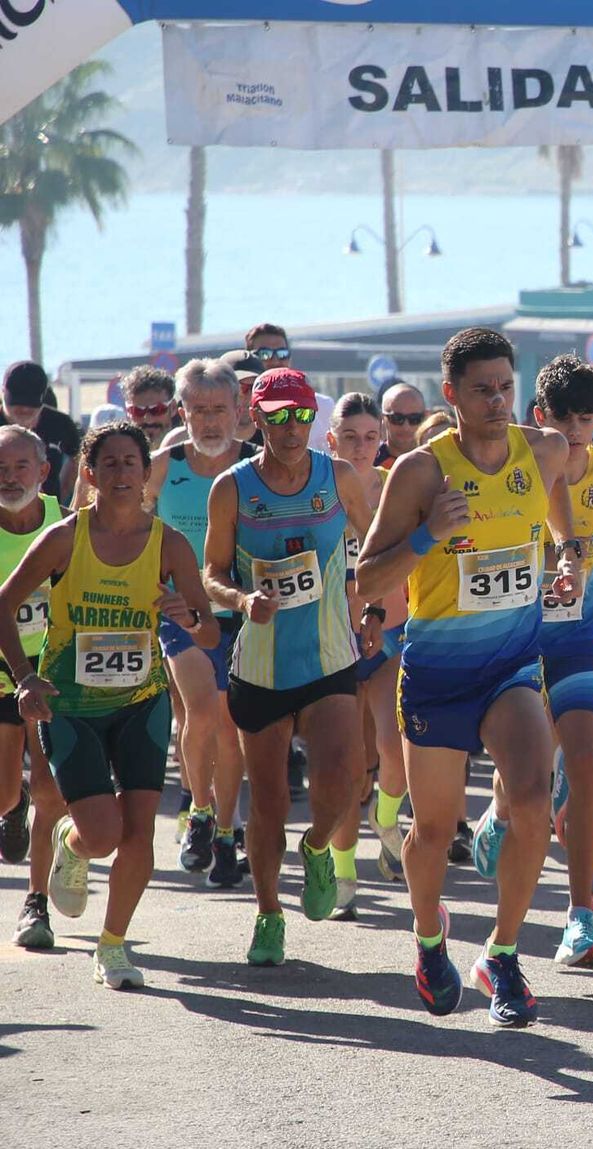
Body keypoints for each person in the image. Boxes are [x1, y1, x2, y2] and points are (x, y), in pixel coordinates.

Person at [357, 328, 577, 1025]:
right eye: (481, 389)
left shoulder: (542, 448)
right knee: (430, 831)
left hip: (511, 664)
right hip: (438, 670)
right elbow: (367, 576)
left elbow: (555, 499)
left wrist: (567, 554)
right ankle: (429, 941)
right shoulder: (421, 472)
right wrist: (426, 537)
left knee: (536, 800)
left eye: (506, 386)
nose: (496, 400)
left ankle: (504, 954)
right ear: (450, 395)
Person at [0, 421, 219, 988]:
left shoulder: (169, 543)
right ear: (90, 474)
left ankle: (114, 945)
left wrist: (186, 615)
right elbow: (4, 605)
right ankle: (73, 844)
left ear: (148, 474)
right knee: (102, 834)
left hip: (141, 702)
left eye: (132, 463)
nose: (122, 474)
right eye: (110, 464)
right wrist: (24, 677)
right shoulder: (64, 538)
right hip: (69, 704)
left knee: (140, 831)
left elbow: (211, 632)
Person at [202, 368, 376, 967]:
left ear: (314, 420)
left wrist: (371, 602)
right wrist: (242, 600)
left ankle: (320, 846)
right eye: (276, 416)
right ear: (256, 419)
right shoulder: (232, 488)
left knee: (344, 779)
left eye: (301, 415)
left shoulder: (339, 477)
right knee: (269, 802)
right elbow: (211, 572)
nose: (291, 427)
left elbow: (375, 545)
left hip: (329, 656)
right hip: (261, 666)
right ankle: (269, 914)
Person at [511, 353, 593, 969]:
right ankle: (498, 810)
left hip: (579, 631)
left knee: (586, 760)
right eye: (568, 424)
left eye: (590, 422)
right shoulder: (518, 466)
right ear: (541, 418)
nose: (579, 436)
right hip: (516, 634)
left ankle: (579, 920)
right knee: (527, 773)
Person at [145, 358, 257, 888]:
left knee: (231, 724)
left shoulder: (256, 464)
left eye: (220, 410)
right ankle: (199, 813)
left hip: (240, 608)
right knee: (200, 711)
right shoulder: (163, 465)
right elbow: (132, 530)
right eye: (199, 410)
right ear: (181, 411)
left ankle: (228, 832)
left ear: (238, 411)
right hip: (180, 608)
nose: (210, 422)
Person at [323, 392, 410, 919]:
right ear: (331, 439)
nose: (361, 447)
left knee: (396, 748)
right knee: (347, 765)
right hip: (333, 638)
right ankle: (345, 874)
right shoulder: (317, 492)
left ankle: (388, 813)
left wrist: (379, 609)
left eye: (370, 437)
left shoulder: (397, 485)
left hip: (393, 631)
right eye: (349, 437)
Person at [0, 427, 68, 949]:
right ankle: (12, 800)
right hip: (4, 673)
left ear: (43, 472)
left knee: (52, 790)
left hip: (53, 674)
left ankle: (35, 903)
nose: (9, 476)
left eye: (21, 466)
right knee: (5, 793)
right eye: (1, 467)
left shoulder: (63, 525)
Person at [2, 361, 79, 501]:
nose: (24, 409)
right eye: (17, 403)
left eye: (31, 404)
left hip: (48, 513)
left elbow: (79, 457)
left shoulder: (60, 424)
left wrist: (63, 492)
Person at [122, 366, 180, 446]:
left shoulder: (192, 452)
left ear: (173, 408)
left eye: (157, 410)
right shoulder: (120, 454)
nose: (148, 420)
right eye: (138, 411)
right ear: (128, 412)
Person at [376, 381, 427, 469]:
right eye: (397, 418)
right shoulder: (369, 463)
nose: (405, 427)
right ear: (382, 418)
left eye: (414, 419)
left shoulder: (437, 463)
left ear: (425, 417)